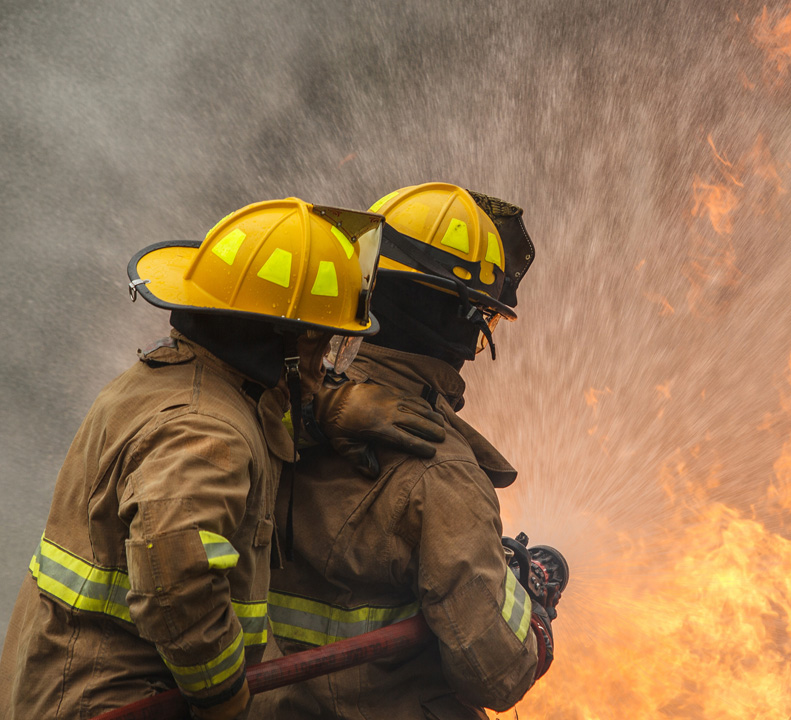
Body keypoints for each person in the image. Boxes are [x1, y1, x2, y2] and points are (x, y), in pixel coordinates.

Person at [0, 198, 446, 720]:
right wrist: (222, 696)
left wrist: (324, 408)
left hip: (70, 680)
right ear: (285, 340)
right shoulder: (205, 429)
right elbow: (177, 578)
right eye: (321, 345)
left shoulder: (182, 380)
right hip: (117, 701)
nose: (326, 363)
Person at [250, 183, 554, 720]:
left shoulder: (268, 408)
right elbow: (496, 674)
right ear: (466, 328)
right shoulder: (442, 477)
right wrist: (531, 614)